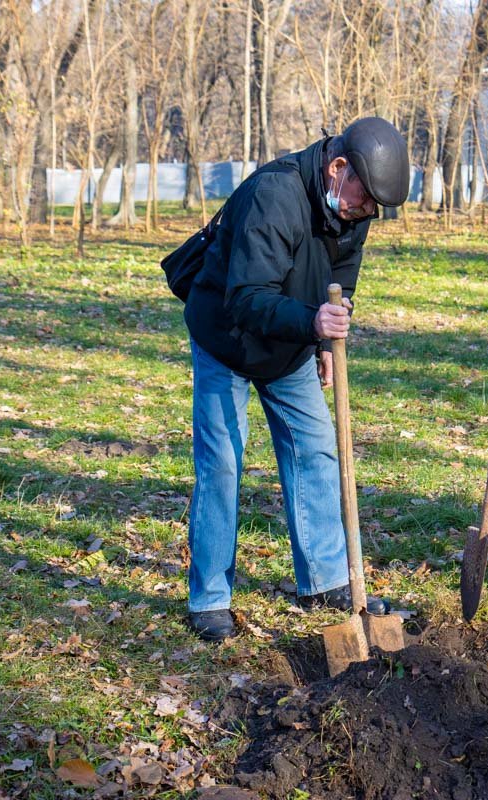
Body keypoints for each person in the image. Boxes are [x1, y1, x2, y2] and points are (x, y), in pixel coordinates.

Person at [182, 117, 410, 641]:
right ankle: (209, 598)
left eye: (374, 208)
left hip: (289, 345)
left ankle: (326, 580)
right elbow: (246, 299)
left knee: (316, 449)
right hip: (227, 337)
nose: (366, 214)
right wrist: (312, 323)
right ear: (336, 169)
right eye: (363, 203)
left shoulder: (356, 198)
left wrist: (325, 340)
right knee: (222, 463)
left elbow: (344, 267)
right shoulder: (274, 195)